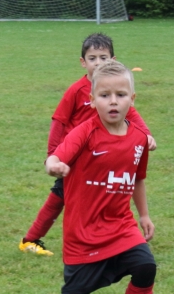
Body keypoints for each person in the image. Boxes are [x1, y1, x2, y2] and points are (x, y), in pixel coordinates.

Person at [32, 61, 155, 294]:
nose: (113, 101)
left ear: (132, 99)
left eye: (120, 95)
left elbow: (138, 178)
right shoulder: (84, 132)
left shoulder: (139, 138)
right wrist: (54, 165)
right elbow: (56, 157)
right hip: (83, 234)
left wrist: (143, 214)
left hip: (122, 226)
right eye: (104, 95)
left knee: (146, 266)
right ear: (92, 99)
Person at [18, 33, 156, 257]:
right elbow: (59, 121)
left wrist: (147, 136)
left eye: (103, 58)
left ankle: (108, 239)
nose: (98, 63)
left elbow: (132, 113)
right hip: (75, 158)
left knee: (101, 196)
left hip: (101, 158)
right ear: (83, 62)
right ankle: (31, 239)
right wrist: (53, 155)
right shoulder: (76, 90)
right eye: (93, 58)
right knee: (59, 198)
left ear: (113, 60)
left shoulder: (116, 92)